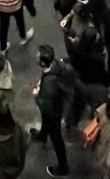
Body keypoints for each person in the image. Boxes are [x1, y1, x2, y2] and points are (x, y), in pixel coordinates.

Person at [31, 45, 70, 177]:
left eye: (38, 55)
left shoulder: (48, 86)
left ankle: (63, 167)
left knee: (56, 138)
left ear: (43, 63)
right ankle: (42, 136)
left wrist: (37, 95)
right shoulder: (55, 65)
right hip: (57, 104)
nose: (36, 55)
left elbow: (44, 106)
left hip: (53, 111)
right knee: (45, 120)